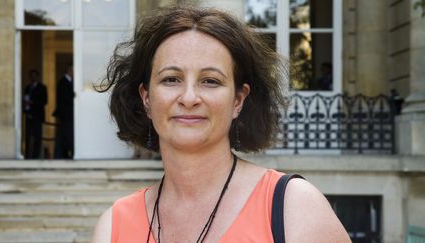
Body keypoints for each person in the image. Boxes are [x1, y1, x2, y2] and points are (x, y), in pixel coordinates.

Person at [92, 7, 351, 243]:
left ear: (238, 100)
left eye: (210, 81)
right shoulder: (113, 227)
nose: (190, 98)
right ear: (146, 98)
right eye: (171, 79)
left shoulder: (293, 208)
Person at [23, 69, 47, 159]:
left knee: (37, 137)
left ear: (37, 77)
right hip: (28, 115)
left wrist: (32, 102)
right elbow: (25, 100)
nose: (33, 77)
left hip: (38, 115)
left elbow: (44, 101)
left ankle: (35, 156)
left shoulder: (42, 88)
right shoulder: (27, 88)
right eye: (31, 76)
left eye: (34, 75)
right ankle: (27, 155)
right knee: (28, 136)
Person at [53, 65, 74, 159]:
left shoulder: (69, 82)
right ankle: (65, 154)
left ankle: (61, 155)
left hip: (67, 114)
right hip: (66, 114)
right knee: (67, 134)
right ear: (70, 70)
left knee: (63, 135)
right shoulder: (63, 82)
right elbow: (67, 98)